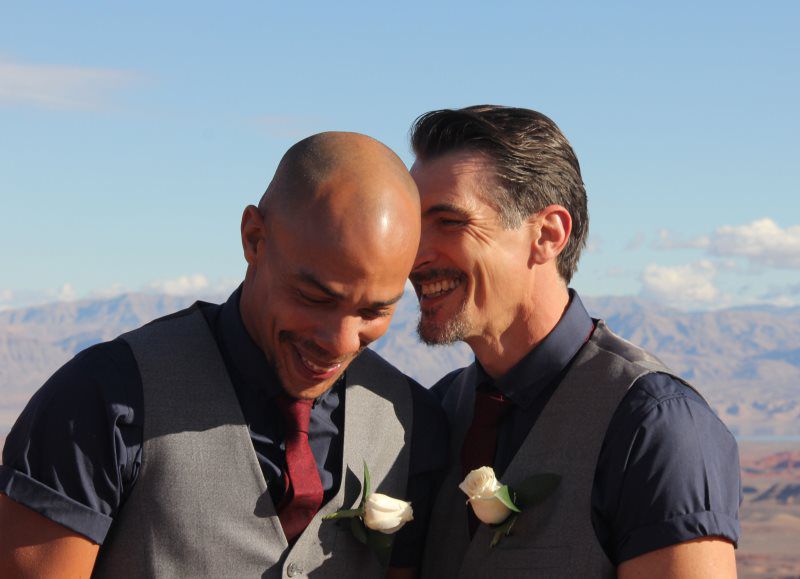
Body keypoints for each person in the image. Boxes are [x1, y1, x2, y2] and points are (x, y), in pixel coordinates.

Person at [0, 132, 448, 578]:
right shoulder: (100, 402)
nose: (341, 341)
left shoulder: (411, 424)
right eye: (315, 298)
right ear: (254, 238)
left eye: (374, 311)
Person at [408, 106, 741, 578]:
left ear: (548, 235)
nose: (415, 255)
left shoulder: (654, 427)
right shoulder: (435, 413)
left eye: (448, 221)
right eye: (412, 225)